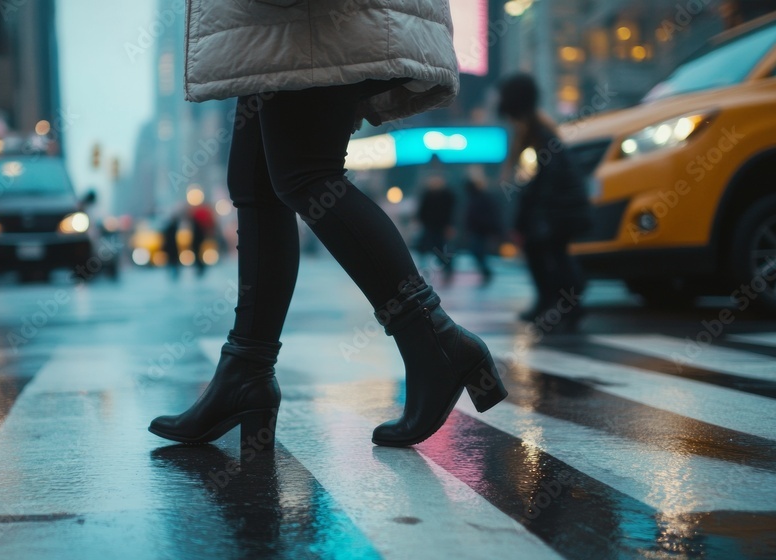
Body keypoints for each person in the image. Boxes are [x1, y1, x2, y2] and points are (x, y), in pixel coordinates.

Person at [149, 0, 508, 449]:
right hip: (275, 22)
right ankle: (247, 372)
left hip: (308, 17)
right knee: (256, 188)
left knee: (307, 173)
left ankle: (434, 339)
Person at [496, 73, 590, 331]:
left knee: (554, 254)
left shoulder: (541, 135)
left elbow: (543, 183)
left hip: (561, 210)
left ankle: (567, 306)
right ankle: (552, 303)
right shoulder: (536, 132)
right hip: (556, 209)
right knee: (543, 253)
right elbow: (534, 184)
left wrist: (527, 217)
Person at [415, 176, 457, 286]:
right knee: (427, 248)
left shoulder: (446, 196)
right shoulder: (429, 195)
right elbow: (422, 210)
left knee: (439, 248)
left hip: (440, 227)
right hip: (430, 226)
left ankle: (446, 268)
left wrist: (450, 225)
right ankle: (424, 271)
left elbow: (451, 212)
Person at [463, 169, 501, 287]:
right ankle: (485, 270)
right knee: (477, 251)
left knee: (477, 250)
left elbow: (489, 214)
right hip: (479, 229)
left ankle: (486, 271)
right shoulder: (476, 197)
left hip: (481, 229)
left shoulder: (481, 197)